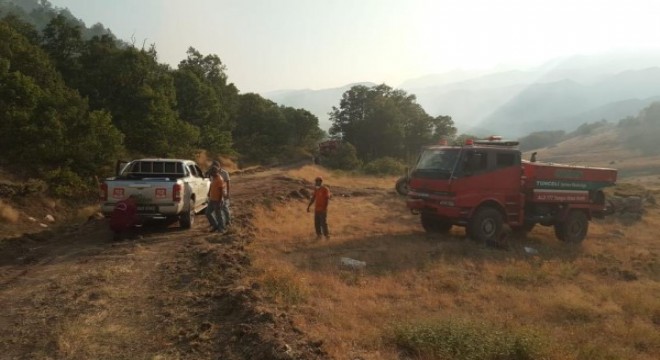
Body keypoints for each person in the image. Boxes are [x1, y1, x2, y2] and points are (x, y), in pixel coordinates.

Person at [205, 166, 226, 232]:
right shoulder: (214, 178)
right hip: (212, 199)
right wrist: (209, 193)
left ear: (215, 172)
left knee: (218, 215)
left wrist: (220, 201)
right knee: (208, 213)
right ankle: (215, 226)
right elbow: (211, 185)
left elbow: (221, 191)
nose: (211, 174)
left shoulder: (220, 179)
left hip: (217, 200)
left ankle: (222, 228)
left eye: (212, 173)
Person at [214, 161, 232, 228]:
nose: (215, 168)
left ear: (219, 166)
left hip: (223, 193)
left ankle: (228, 221)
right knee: (217, 210)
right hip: (215, 194)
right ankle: (220, 223)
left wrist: (228, 193)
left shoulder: (224, 173)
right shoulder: (212, 173)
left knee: (225, 208)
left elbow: (228, 183)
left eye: (216, 167)